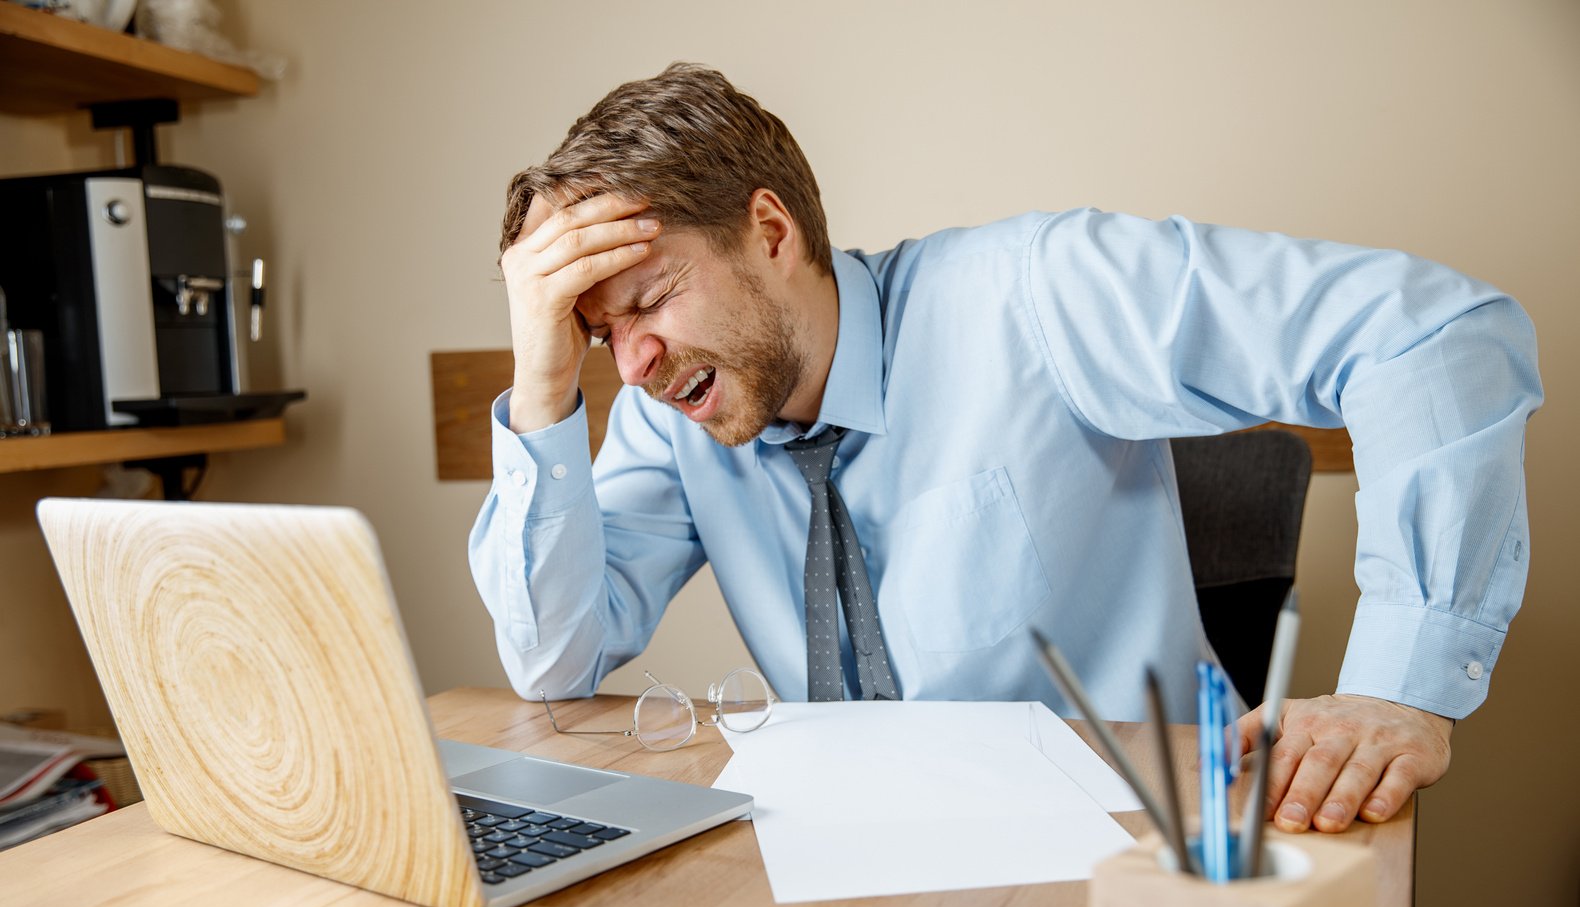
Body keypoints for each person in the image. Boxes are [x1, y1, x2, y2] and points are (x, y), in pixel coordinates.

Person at [469, 63, 1541, 835]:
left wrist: (1399, 686)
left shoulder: (1039, 293)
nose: (636, 361)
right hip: (848, 858)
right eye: (601, 332)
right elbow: (556, 659)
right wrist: (544, 379)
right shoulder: (670, 412)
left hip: (1131, 841)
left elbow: (1434, 331)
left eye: (648, 301)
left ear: (770, 230)